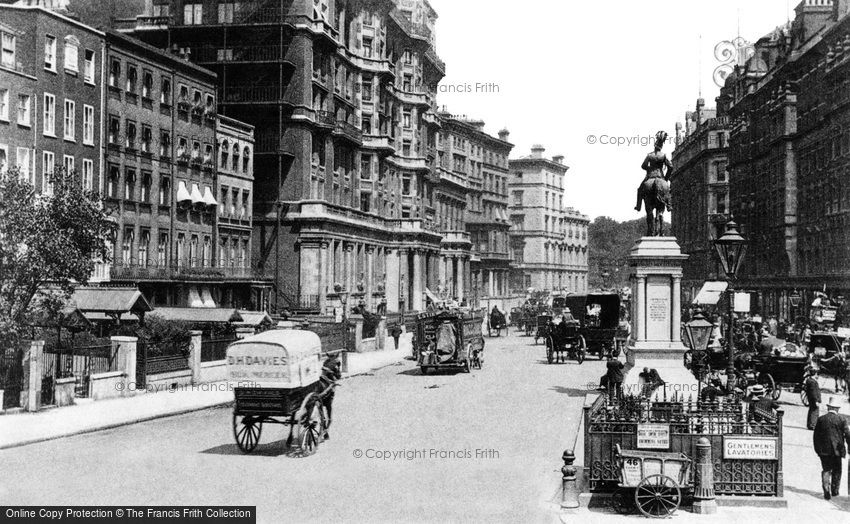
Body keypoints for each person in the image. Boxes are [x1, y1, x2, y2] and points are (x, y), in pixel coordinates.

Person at [813, 397, 850, 499]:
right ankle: (835, 490)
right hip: (837, 451)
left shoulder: (821, 419)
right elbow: (847, 434)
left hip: (824, 451)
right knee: (837, 470)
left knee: (826, 469)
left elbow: (816, 436)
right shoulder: (842, 419)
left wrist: (817, 450)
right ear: (837, 409)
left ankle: (826, 489)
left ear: (829, 407)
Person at [635, 130, 673, 212]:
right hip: (660, 176)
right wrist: (666, 178)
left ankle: (638, 206)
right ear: (661, 146)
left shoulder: (649, 155)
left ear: (654, 146)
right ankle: (669, 205)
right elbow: (670, 167)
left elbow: (643, 166)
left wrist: (649, 169)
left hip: (650, 176)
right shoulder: (663, 156)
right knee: (668, 189)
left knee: (640, 189)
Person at [319, 355, 342, 439]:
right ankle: (326, 430)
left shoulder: (325, 362)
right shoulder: (335, 363)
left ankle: (324, 429)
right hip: (328, 382)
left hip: (321, 377)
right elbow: (338, 375)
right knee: (329, 406)